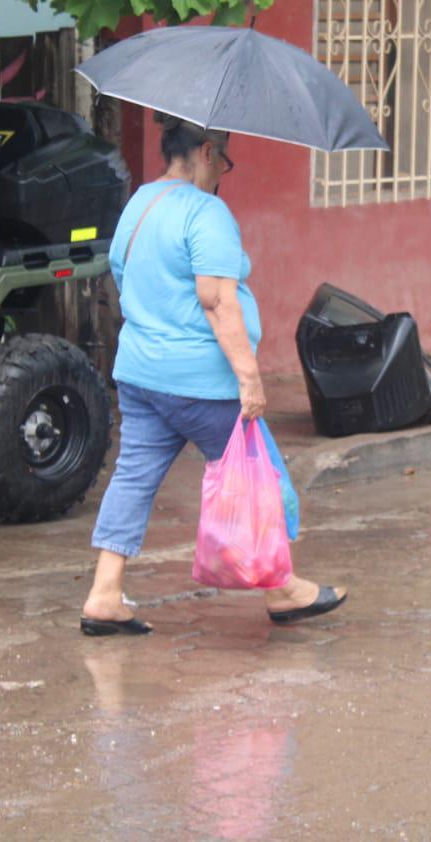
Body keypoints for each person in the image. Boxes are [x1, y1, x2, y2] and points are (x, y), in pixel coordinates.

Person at [80, 117, 346, 635]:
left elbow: (120, 272)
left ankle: (104, 593)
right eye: (223, 160)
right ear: (205, 152)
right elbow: (218, 299)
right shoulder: (207, 212)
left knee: (133, 474)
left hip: (139, 372)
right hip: (199, 380)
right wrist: (249, 378)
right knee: (257, 475)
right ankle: (283, 589)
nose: (224, 171)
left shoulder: (140, 203)